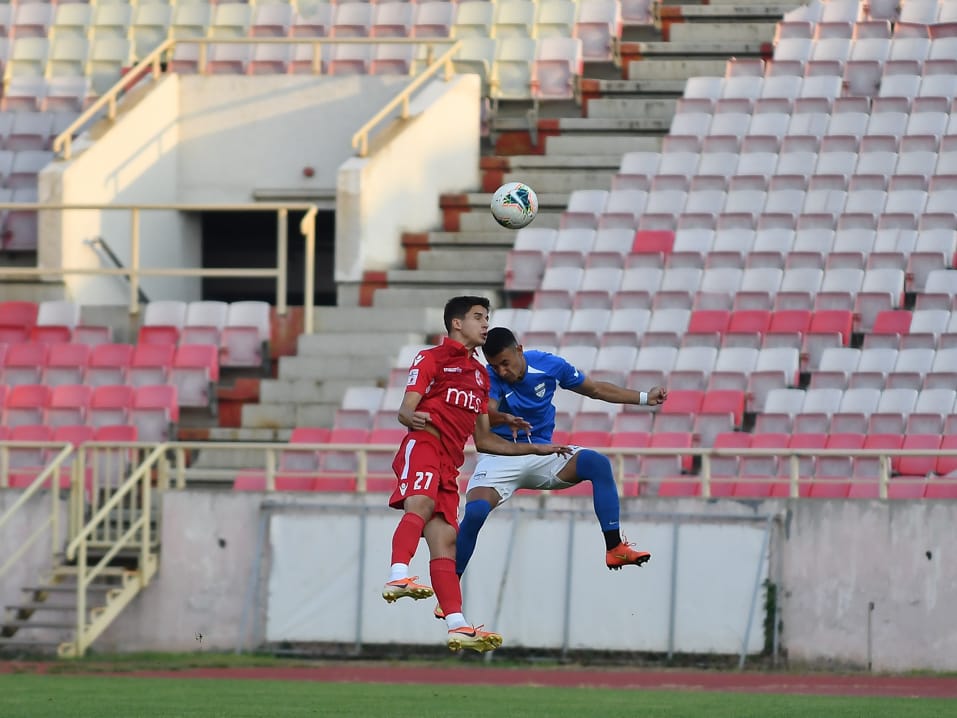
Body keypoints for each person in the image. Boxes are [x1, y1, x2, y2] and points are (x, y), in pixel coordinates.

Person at [382, 297, 572, 653]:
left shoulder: (479, 377)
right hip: (424, 445)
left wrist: (536, 448)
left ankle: (457, 625)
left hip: (450, 465)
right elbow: (405, 411)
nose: (485, 324)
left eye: (487, 318)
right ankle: (397, 576)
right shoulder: (430, 358)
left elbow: (484, 440)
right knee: (419, 506)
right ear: (456, 323)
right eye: (478, 317)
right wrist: (414, 417)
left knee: (446, 542)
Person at [452, 326, 667, 586]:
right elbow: (489, 413)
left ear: (519, 350)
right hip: (500, 454)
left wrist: (645, 398)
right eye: (495, 366)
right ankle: (449, 588)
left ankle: (615, 547)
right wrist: (503, 418)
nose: (501, 372)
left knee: (597, 464)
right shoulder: (488, 378)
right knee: (474, 513)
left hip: (544, 452)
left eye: (505, 364)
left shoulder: (548, 365)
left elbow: (596, 389)